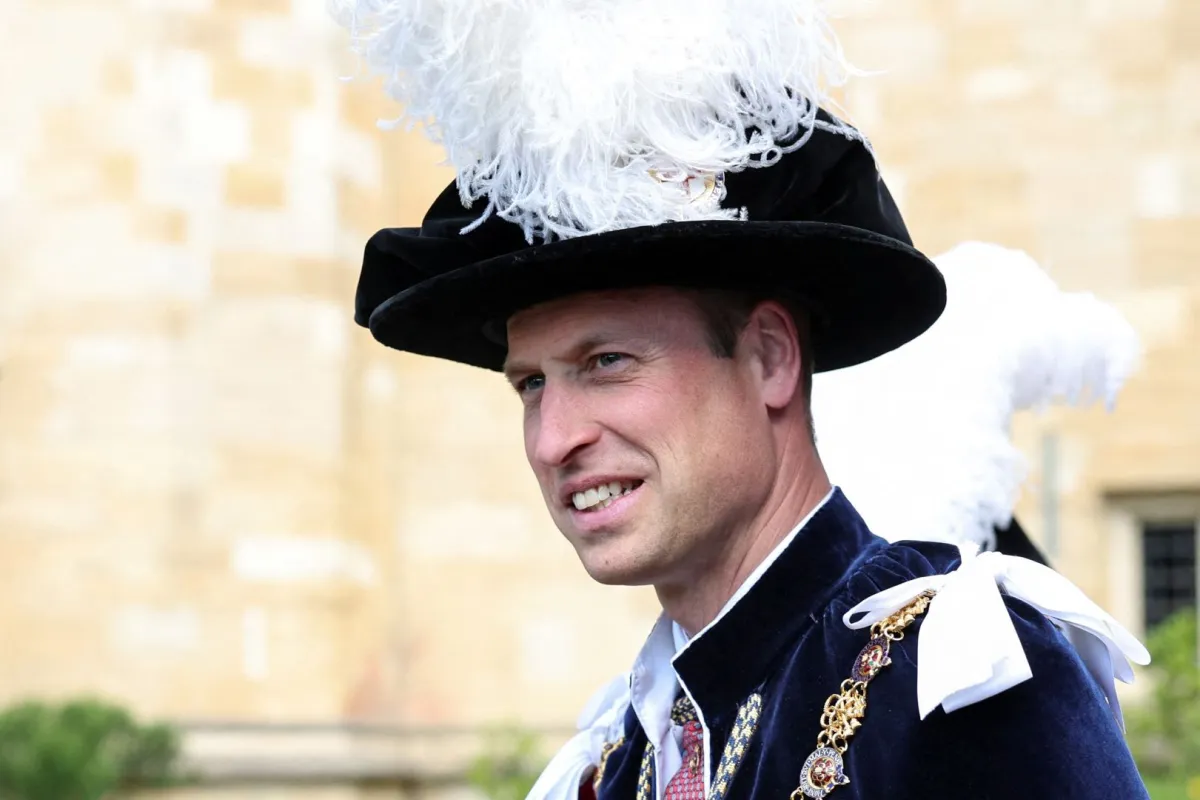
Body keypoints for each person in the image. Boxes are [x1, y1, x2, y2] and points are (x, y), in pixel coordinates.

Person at [330, 0, 1152, 797]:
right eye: (532, 383)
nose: (553, 440)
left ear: (767, 359)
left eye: (608, 361)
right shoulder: (614, 767)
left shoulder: (956, 682)